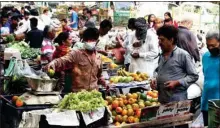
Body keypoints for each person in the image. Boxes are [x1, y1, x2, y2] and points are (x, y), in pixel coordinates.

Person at [45, 27, 105, 92]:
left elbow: (99, 75)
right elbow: (62, 60)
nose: (90, 42)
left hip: (93, 95)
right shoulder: (76, 54)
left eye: (93, 40)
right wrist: (53, 63)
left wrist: (103, 82)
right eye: (88, 39)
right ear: (84, 40)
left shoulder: (98, 57)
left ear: (97, 41)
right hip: (78, 94)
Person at [150, 25, 199, 104]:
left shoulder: (183, 55)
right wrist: (155, 80)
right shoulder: (161, 55)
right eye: (159, 40)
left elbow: (194, 76)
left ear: (171, 40)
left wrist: (177, 82)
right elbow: (158, 71)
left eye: (162, 40)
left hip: (177, 99)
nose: (159, 43)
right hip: (162, 98)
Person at [201, 30, 220, 126]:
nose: (210, 48)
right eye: (208, 46)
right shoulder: (205, 56)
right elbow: (206, 76)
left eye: (213, 45)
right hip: (206, 102)